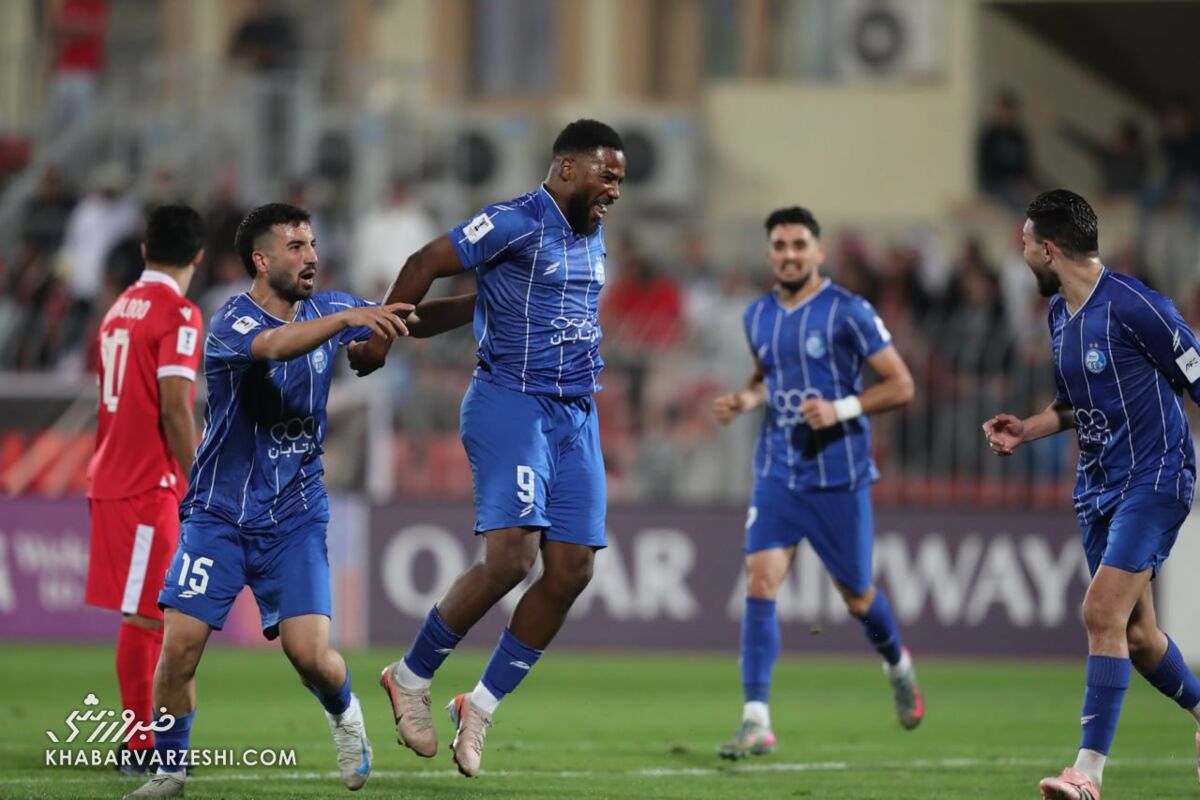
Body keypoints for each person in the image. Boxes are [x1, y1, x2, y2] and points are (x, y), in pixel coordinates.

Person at [351, 119, 626, 778]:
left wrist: (429, 321)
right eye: (607, 175)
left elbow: (492, 298)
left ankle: (478, 706)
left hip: (576, 414)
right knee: (512, 559)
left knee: (573, 571)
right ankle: (409, 676)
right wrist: (383, 336)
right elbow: (423, 263)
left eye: (621, 180)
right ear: (567, 168)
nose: (615, 191)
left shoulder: (590, 233)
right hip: (512, 402)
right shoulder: (513, 220)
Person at [122, 203, 417, 798]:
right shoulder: (231, 319)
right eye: (295, 246)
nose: (311, 256)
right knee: (178, 649)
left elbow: (406, 317)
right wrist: (347, 320)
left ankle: (345, 714)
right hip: (218, 515)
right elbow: (277, 346)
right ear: (261, 260)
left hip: (294, 516)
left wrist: (487, 302)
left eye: (313, 244)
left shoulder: (331, 308)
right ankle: (169, 772)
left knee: (311, 657)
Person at [983, 189, 1200, 800]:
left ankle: (1087, 775)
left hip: (1155, 477)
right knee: (1139, 638)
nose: (1023, 253)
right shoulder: (1060, 316)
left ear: (1049, 249)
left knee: (1100, 613)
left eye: (1025, 243)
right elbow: (1073, 405)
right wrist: (1025, 429)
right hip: (1098, 488)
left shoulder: (1137, 306)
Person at [710, 206, 923, 760]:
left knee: (857, 597)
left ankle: (897, 664)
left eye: (799, 245)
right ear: (769, 255)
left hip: (838, 477)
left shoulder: (848, 311)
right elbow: (767, 379)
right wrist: (745, 400)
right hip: (779, 472)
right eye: (780, 246)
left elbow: (901, 385)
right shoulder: (757, 315)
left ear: (818, 252)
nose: (789, 254)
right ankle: (756, 719)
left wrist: (841, 408)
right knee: (760, 581)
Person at [85, 206, 206, 776]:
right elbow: (175, 408)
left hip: (118, 475)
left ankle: (152, 741)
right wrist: (201, 482)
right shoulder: (178, 312)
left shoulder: (119, 308)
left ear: (143, 251)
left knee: (154, 616)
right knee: (146, 619)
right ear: (199, 256)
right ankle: (139, 746)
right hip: (145, 483)